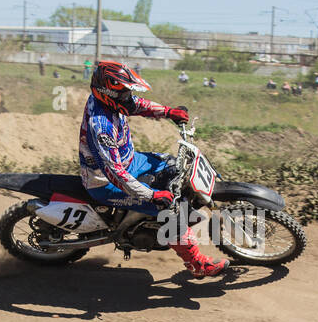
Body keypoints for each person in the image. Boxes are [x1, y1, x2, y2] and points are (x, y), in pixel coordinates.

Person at [78, 61, 227, 278]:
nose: (128, 96)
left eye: (128, 91)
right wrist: (152, 194)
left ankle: (182, 211)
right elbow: (115, 173)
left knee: (173, 164)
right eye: (124, 93)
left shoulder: (111, 100)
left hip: (131, 160)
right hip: (105, 182)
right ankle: (196, 264)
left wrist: (168, 112)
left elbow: (135, 104)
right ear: (108, 93)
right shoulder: (101, 126)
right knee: (169, 212)